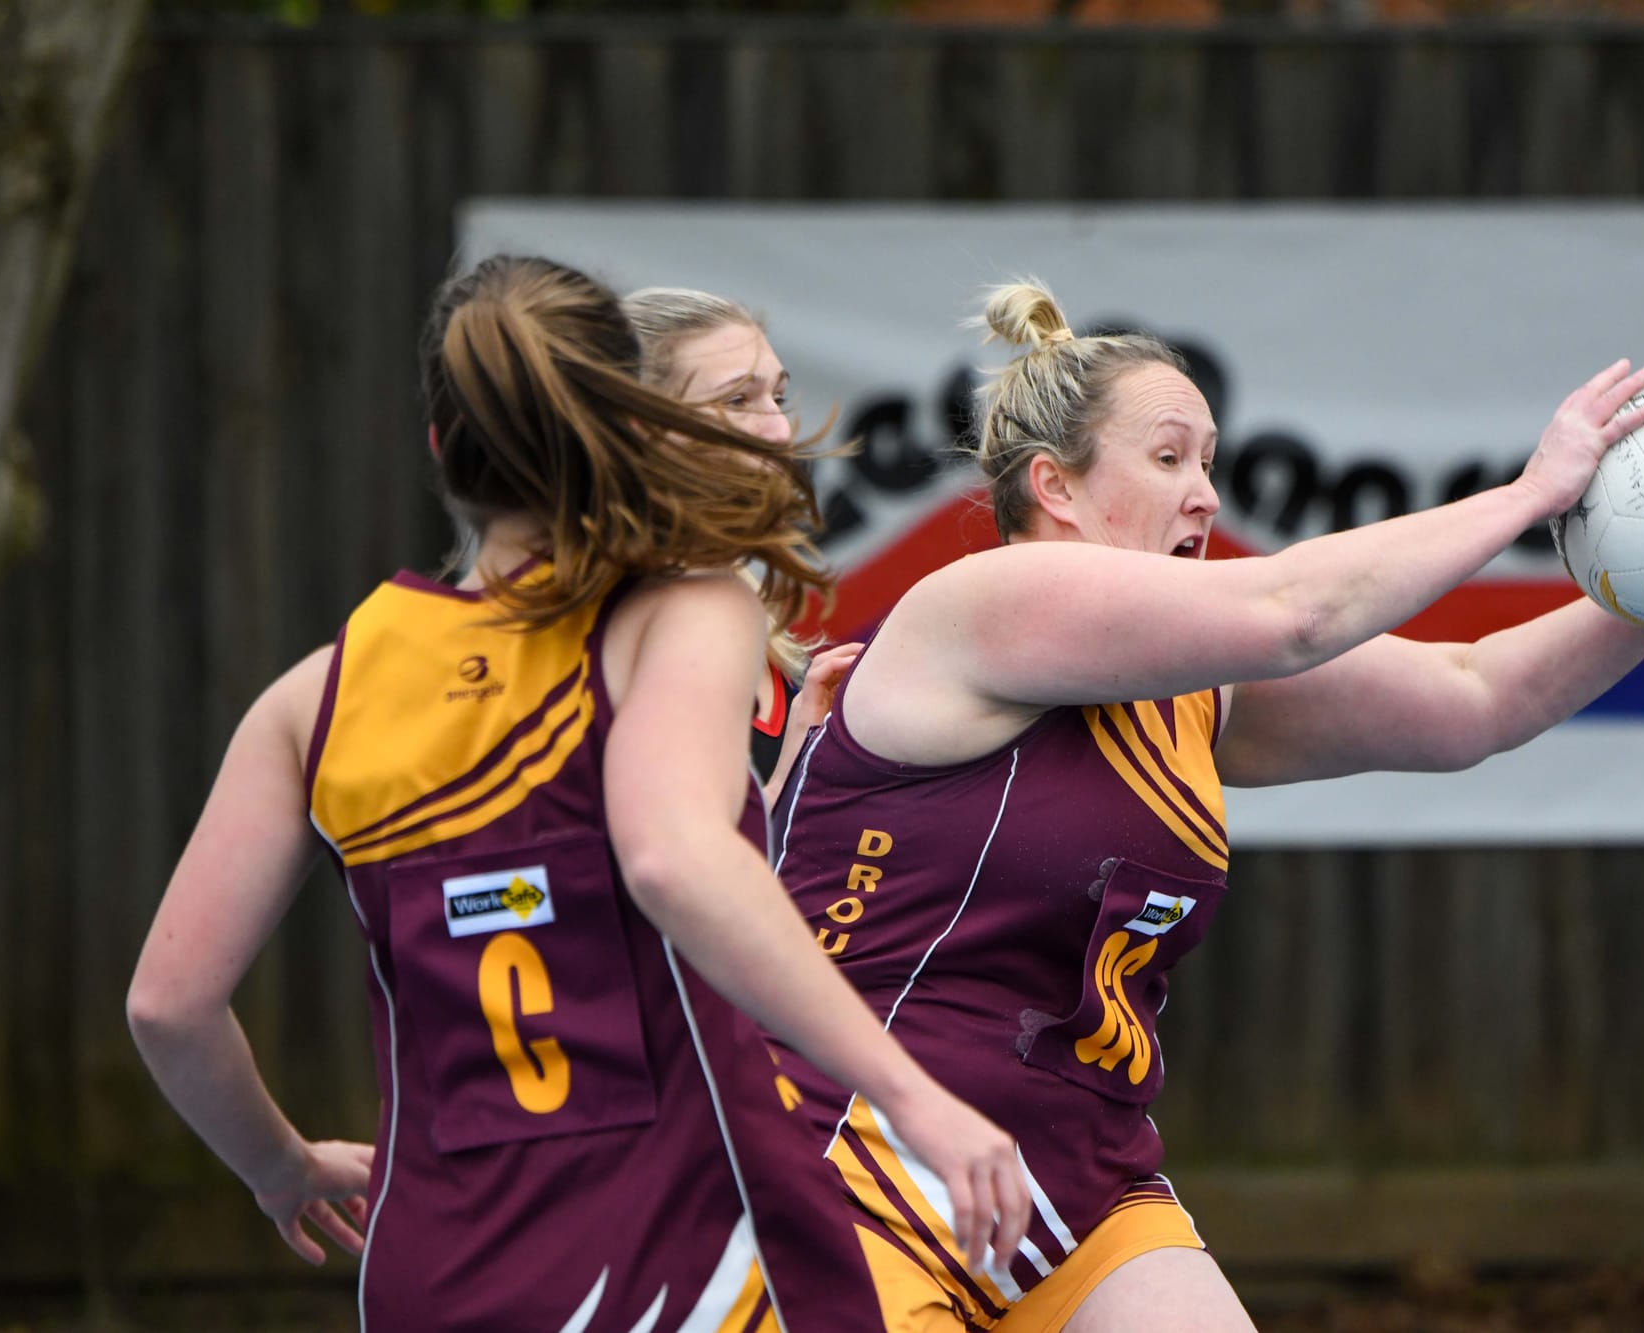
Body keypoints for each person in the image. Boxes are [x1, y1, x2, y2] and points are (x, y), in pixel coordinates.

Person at [126, 255, 1029, 1333]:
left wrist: (278, 1165)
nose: (771, 427)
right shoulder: (673, 622)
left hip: (435, 1278)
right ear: (619, 426)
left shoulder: (314, 696)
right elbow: (673, 858)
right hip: (685, 1257)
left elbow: (167, 1007)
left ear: (440, 455)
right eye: (738, 399)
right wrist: (915, 1096)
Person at [766, 279, 1644, 1332]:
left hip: (1078, 1179)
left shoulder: (1196, 687)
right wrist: (1527, 494)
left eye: (1208, 461)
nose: (1203, 493)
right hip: (865, 1156)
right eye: (1166, 460)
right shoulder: (979, 605)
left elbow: (1474, 698)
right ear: (1053, 485)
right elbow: (1294, 609)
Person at [623, 285, 863, 796]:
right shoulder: (602, 635)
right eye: (738, 400)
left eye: (778, 396)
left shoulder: (746, 619)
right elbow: (658, 866)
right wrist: (786, 788)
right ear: (639, 429)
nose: (780, 431)